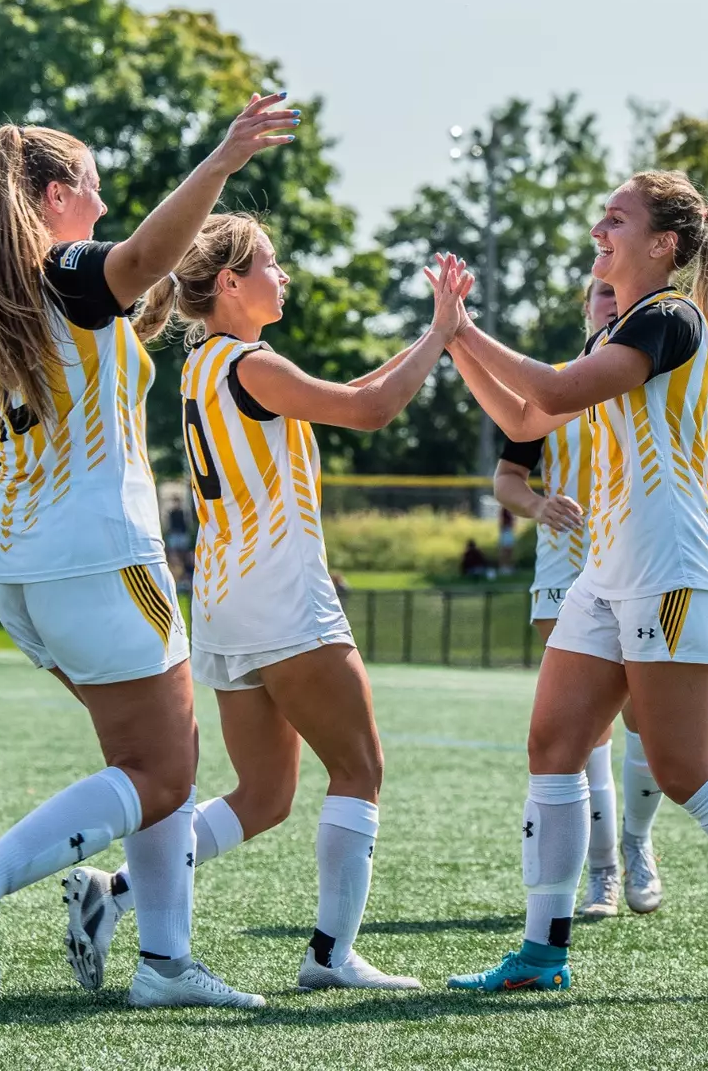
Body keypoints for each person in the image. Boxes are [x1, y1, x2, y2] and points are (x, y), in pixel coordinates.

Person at [0, 98, 297, 1009]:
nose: (106, 208)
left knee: (160, 763)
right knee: (162, 772)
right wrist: (222, 159)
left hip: (23, 567)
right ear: (58, 194)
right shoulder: (66, 271)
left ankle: (166, 965)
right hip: (100, 556)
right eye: (97, 191)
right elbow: (144, 259)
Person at [442, 171, 708, 996]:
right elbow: (526, 422)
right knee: (553, 747)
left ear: (663, 245)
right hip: (609, 571)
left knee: (682, 768)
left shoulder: (668, 317)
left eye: (617, 218)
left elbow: (549, 391)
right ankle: (542, 951)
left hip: (671, 571)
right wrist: (455, 342)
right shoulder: (613, 335)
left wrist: (467, 328)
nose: (601, 228)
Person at [59, 219, 467, 994]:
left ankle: (116, 895)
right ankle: (331, 956)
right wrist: (439, 333)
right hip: (282, 596)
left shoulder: (205, 365)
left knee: (266, 796)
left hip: (221, 602)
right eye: (269, 264)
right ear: (229, 286)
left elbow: (351, 396)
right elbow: (370, 408)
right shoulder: (252, 363)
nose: (284, 276)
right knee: (360, 769)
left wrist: (427, 340)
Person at [493, 278, 668, 920]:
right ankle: (602, 875)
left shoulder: (653, 375)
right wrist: (539, 505)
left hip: (642, 562)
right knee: (582, 729)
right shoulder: (553, 384)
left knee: (647, 719)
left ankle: (638, 844)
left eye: (618, 294)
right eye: (599, 293)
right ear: (585, 308)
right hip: (566, 568)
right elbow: (506, 480)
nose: (610, 301)